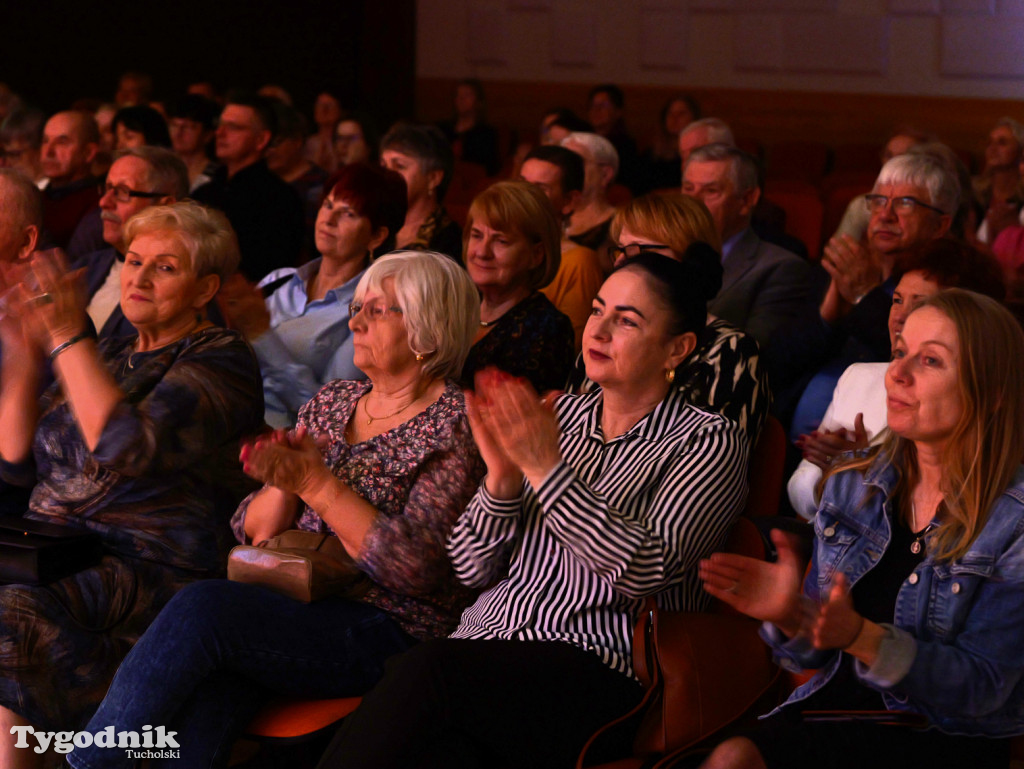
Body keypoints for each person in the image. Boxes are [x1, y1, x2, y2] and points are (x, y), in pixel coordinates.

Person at [316, 251, 750, 769]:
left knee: (424, 672)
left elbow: (644, 571)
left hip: (600, 669)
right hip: (488, 644)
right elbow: (470, 567)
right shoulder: (557, 414)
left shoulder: (708, 440)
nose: (600, 328)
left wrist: (546, 469)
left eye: (627, 320)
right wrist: (499, 480)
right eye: (596, 309)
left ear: (676, 349)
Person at [67, 250, 487, 769]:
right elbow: (254, 532)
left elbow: (414, 569)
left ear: (428, 326)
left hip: (387, 626)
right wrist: (283, 481)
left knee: (206, 611)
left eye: (377, 311)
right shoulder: (335, 399)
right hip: (293, 599)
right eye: (357, 307)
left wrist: (315, 482)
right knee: (216, 678)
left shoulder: (457, 424)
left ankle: (85, 762)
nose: (355, 320)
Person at [701, 288, 1024, 769]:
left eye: (930, 360)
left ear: (993, 392)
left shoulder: (1014, 518)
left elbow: (984, 687)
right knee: (733, 756)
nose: (897, 372)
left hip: (945, 734)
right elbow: (813, 657)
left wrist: (861, 637)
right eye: (899, 352)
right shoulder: (854, 482)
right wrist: (792, 614)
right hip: (835, 711)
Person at [0, 201, 264, 767]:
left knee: (12, 613)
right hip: (56, 554)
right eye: (132, 260)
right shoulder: (112, 355)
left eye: (164, 267)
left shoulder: (220, 357)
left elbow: (126, 447)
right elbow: (16, 456)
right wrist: (27, 353)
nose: (138, 277)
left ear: (204, 289)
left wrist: (69, 335)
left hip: (149, 572)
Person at [788, 238, 1005, 520]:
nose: (900, 317)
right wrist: (836, 475)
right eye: (897, 300)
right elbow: (799, 492)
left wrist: (865, 471)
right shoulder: (859, 378)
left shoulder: (974, 400)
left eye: (922, 304)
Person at [569, 192, 770, 444]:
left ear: (691, 259)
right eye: (619, 250)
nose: (621, 262)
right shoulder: (601, 332)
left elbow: (717, 456)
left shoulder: (732, 351)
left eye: (639, 251)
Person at [222, 162, 407, 427]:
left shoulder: (369, 313)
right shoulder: (279, 280)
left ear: (376, 236)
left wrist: (261, 334)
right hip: (223, 412)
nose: (328, 220)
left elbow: (326, 412)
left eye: (348, 214)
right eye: (328, 205)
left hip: (274, 437)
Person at [683, 143, 814, 349]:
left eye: (711, 190)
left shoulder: (782, 268)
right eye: (688, 188)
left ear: (746, 200)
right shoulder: (664, 253)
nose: (693, 202)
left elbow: (754, 351)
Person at [459, 180, 575, 393]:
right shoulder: (453, 307)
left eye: (501, 241)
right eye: (476, 236)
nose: (482, 252)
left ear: (536, 254)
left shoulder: (548, 328)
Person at [70, 147, 189, 338]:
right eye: (107, 189)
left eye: (123, 192)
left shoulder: (176, 292)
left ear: (164, 206)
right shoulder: (85, 267)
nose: (104, 202)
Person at [192, 91, 305, 283]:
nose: (220, 133)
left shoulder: (280, 199)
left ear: (261, 140)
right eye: (220, 125)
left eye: (233, 127)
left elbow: (271, 271)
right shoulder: (204, 192)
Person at [519, 144, 603, 350]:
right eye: (521, 184)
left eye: (540, 189)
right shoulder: (496, 248)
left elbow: (568, 348)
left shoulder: (579, 262)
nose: (523, 196)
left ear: (568, 201)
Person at [380, 122, 462, 260]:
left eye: (399, 166)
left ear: (433, 178)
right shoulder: (375, 227)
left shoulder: (449, 242)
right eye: (383, 165)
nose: (386, 174)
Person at [39, 110, 100, 249]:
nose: (48, 151)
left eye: (62, 142)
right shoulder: (36, 198)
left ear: (88, 152)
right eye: (45, 141)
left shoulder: (99, 204)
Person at [561, 131, 619, 265]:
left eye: (576, 162)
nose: (566, 170)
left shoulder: (618, 226)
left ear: (605, 174)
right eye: (563, 162)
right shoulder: (551, 216)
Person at [438, 78, 500, 176]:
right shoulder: (442, 130)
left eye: (467, 95)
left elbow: (489, 169)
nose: (461, 99)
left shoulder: (486, 134)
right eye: (458, 95)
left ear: (478, 101)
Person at [641, 93, 700, 192]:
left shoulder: (699, 155)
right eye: (670, 113)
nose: (674, 118)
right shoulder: (651, 155)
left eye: (681, 114)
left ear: (693, 118)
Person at [168, 94, 221, 192]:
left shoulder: (217, 175)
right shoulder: (163, 168)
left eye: (188, 127)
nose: (178, 133)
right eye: (174, 125)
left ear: (207, 135)